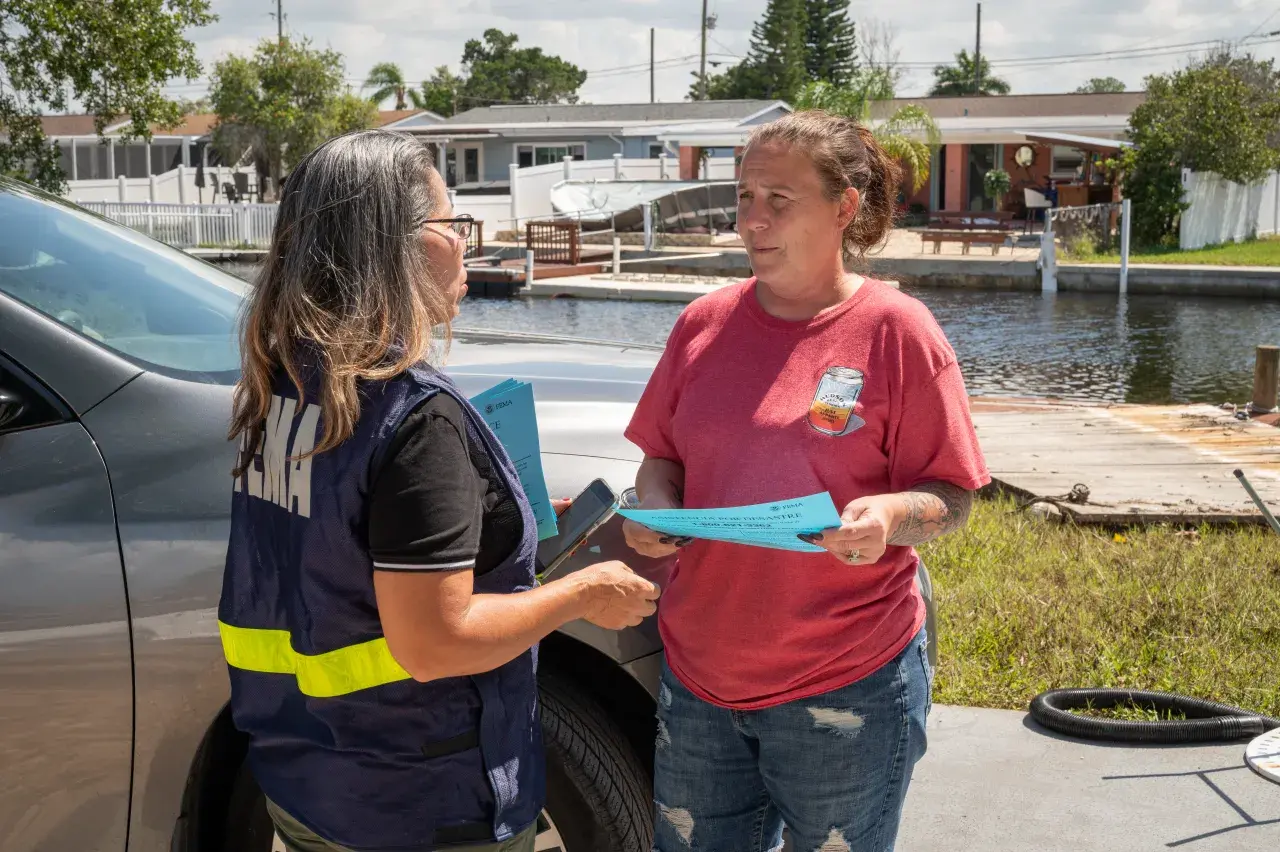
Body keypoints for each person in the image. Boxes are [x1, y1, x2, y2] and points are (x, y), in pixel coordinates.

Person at [218, 129, 660, 852]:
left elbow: (341, 556)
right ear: (390, 245)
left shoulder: (284, 390)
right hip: (422, 802)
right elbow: (434, 642)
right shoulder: (410, 416)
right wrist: (583, 595)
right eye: (449, 224)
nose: (464, 244)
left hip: (309, 783)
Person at [622, 110, 990, 852]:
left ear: (844, 208)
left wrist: (887, 517)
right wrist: (654, 506)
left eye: (778, 200)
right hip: (699, 682)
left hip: (846, 687)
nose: (752, 220)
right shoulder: (701, 324)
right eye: (743, 196)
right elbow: (660, 459)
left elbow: (951, 498)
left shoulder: (898, 331)